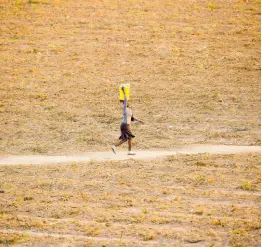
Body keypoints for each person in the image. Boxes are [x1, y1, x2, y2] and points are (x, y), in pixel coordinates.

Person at [112, 87, 144, 155]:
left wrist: (139, 120)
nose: (124, 102)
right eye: (124, 102)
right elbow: (126, 99)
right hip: (125, 125)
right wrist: (124, 91)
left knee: (126, 139)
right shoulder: (124, 108)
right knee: (130, 138)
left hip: (125, 125)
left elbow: (132, 118)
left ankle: (115, 146)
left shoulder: (130, 110)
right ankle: (128, 151)